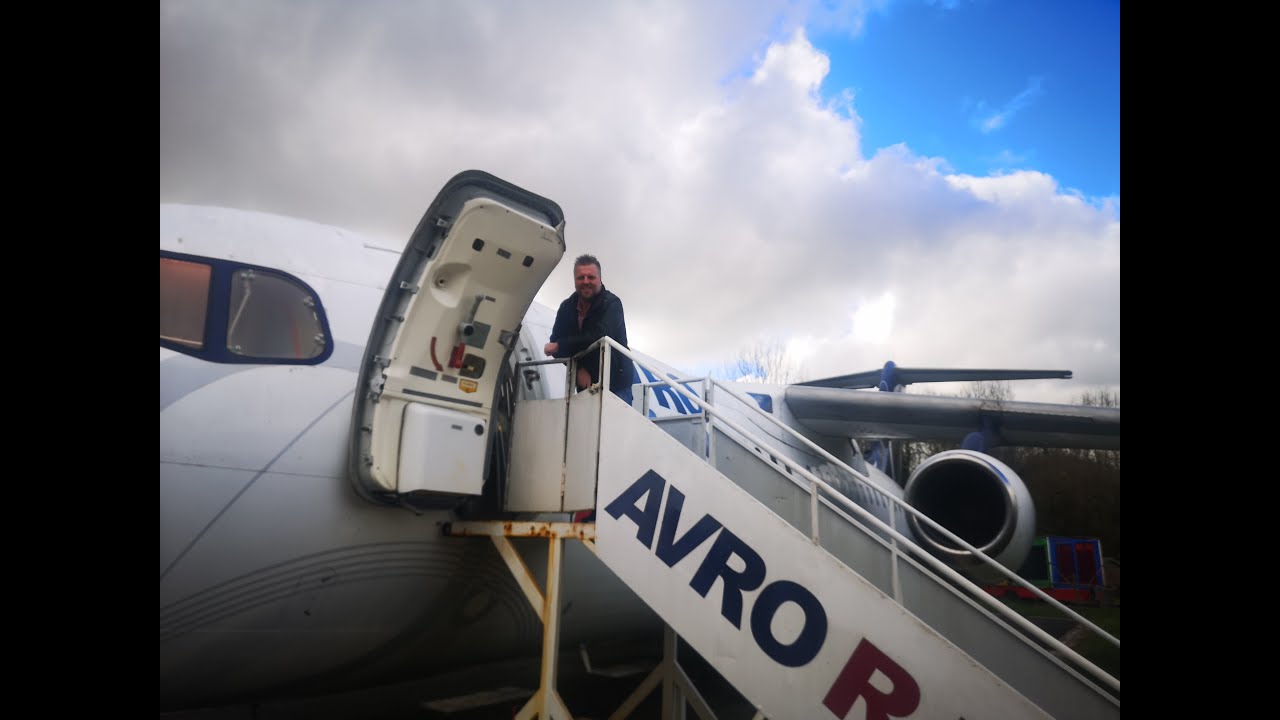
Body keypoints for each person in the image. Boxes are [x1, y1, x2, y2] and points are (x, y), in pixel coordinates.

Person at [544, 254, 634, 406]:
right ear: (575, 280)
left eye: (591, 277)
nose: (586, 281)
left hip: (616, 384)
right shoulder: (567, 307)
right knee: (587, 428)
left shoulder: (612, 304)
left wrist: (560, 345)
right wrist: (578, 369)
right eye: (581, 277)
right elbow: (555, 345)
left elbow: (598, 335)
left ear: (600, 279)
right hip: (586, 383)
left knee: (614, 428)